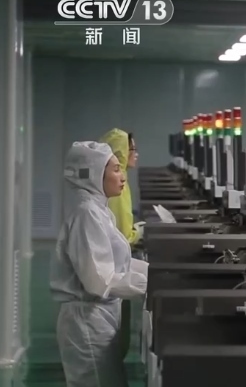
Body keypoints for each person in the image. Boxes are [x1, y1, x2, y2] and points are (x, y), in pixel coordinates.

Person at [50, 141, 149, 387]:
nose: (122, 176)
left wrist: (156, 273)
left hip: (98, 317)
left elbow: (118, 263)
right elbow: (99, 281)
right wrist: (151, 285)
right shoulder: (87, 215)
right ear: (94, 175)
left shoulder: (99, 211)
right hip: (87, 322)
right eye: (115, 169)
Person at [99, 128, 143, 361]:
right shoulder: (118, 187)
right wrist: (138, 233)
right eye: (132, 149)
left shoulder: (114, 183)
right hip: (112, 271)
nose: (136, 154)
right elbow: (123, 234)